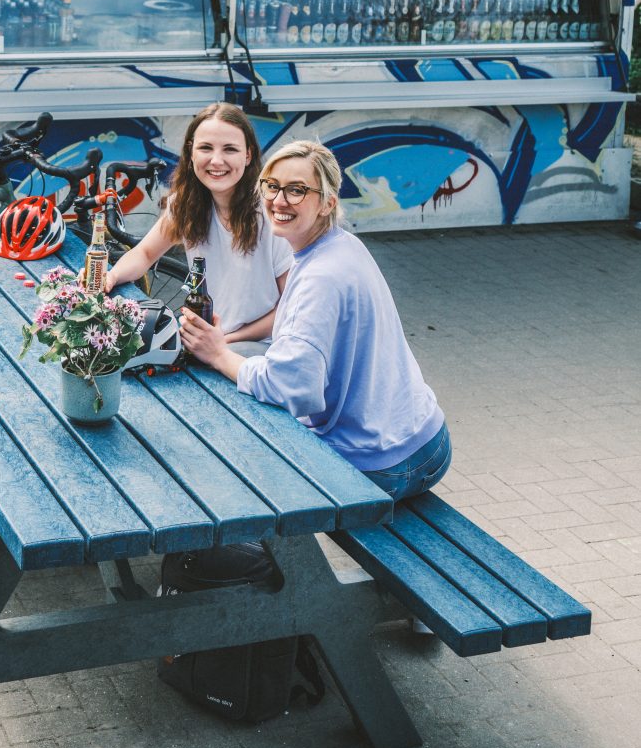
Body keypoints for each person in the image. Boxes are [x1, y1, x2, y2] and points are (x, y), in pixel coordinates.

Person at [179, 138, 451, 501]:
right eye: (271, 186)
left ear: (327, 203)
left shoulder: (319, 278)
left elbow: (292, 389)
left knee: (238, 456)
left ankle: (254, 553)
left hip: (381, 465)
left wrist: (219, 355)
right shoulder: (343, 245)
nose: (278, 200)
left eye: (297, 190)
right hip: (429, 439)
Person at [105, 104, 291, 349]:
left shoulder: (271, 214)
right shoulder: (186, 204)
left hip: (263, 345)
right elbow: (145, 253)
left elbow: (290, 305)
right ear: (191, 153)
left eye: (230, 149)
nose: (216, 160)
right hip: (208, 339)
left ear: (248, 155)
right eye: (205, 148)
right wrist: (110, 276)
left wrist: (224, 341)